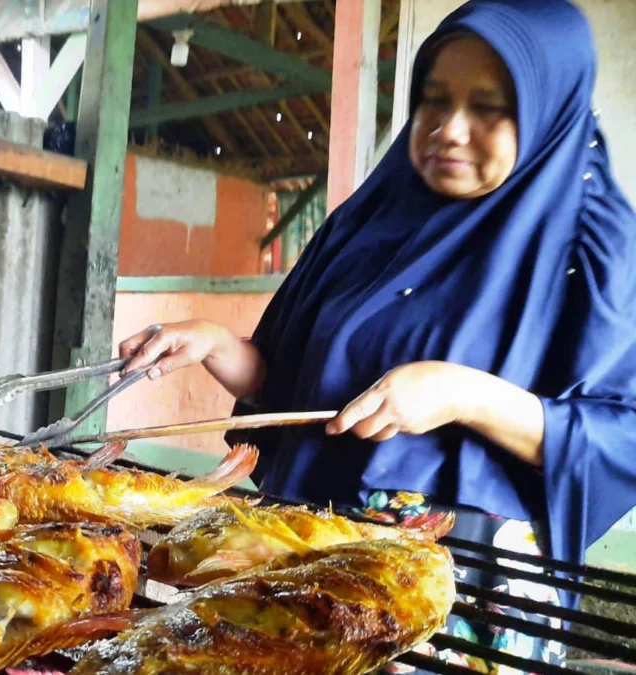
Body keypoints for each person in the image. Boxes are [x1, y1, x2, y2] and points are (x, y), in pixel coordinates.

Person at [119, 0, 636, 671]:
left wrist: (461, 394)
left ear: (546, 109)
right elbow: (297, 394)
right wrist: (217, 345)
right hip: (306, 556)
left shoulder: (587, 248)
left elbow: (621, 435)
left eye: (489, 107)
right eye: (434, 99)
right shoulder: (365, 224)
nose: (450, 129)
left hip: (454, 596)